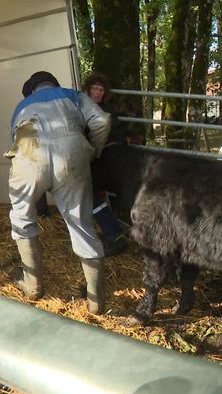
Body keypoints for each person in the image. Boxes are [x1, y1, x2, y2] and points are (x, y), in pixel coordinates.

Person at [6, 71, 111, 314]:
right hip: (70, 154)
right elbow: (102, 121)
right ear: (53, 84)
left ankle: (32, 285)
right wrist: (93, 150)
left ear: (32, 90)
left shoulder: (21, 106)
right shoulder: (72, 95)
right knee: (80, 223)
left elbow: (14, 140)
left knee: (21, 217)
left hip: (28, 155)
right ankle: (95, 301)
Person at [82, 72, 129, 257]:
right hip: (100, 158)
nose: (98, 93)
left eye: (101, 90)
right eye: (95, 88)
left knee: (90, 191)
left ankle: (114, 235)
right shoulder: (81, 107)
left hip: (108, 158)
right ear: (88, 88)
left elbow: (116, 135)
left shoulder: (106, 110)